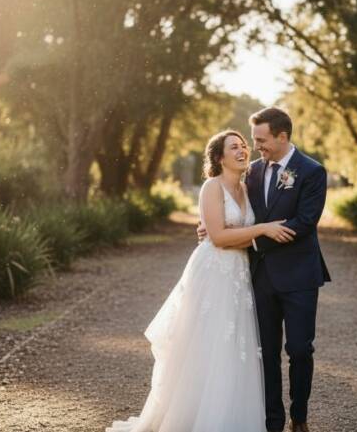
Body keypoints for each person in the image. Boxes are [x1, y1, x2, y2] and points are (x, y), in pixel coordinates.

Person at [105, 129, 296, 432]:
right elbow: (219, 237)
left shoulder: (248, 188)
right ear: (220, 157)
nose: (242, 150)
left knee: (237, 346)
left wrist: (249, 233)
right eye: (234, 147)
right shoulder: (211, 187)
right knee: (207, 345)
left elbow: (230, 233)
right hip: (214, 273)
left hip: (240, 274)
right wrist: (261, 230)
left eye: (244, 145)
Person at [198, 107, 331, 432]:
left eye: (261, 139)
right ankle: (272, 422)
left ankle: (299, 417)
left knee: (299, 349)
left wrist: (249, 238)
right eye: (252, 139)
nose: (254, 146)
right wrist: (212, 231)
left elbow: (303, 223)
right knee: (265, 352)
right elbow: (234, 213)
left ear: (282, 136)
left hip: (299, 275)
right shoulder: (252, 172)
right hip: (259, 276)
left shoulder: (312, 171)